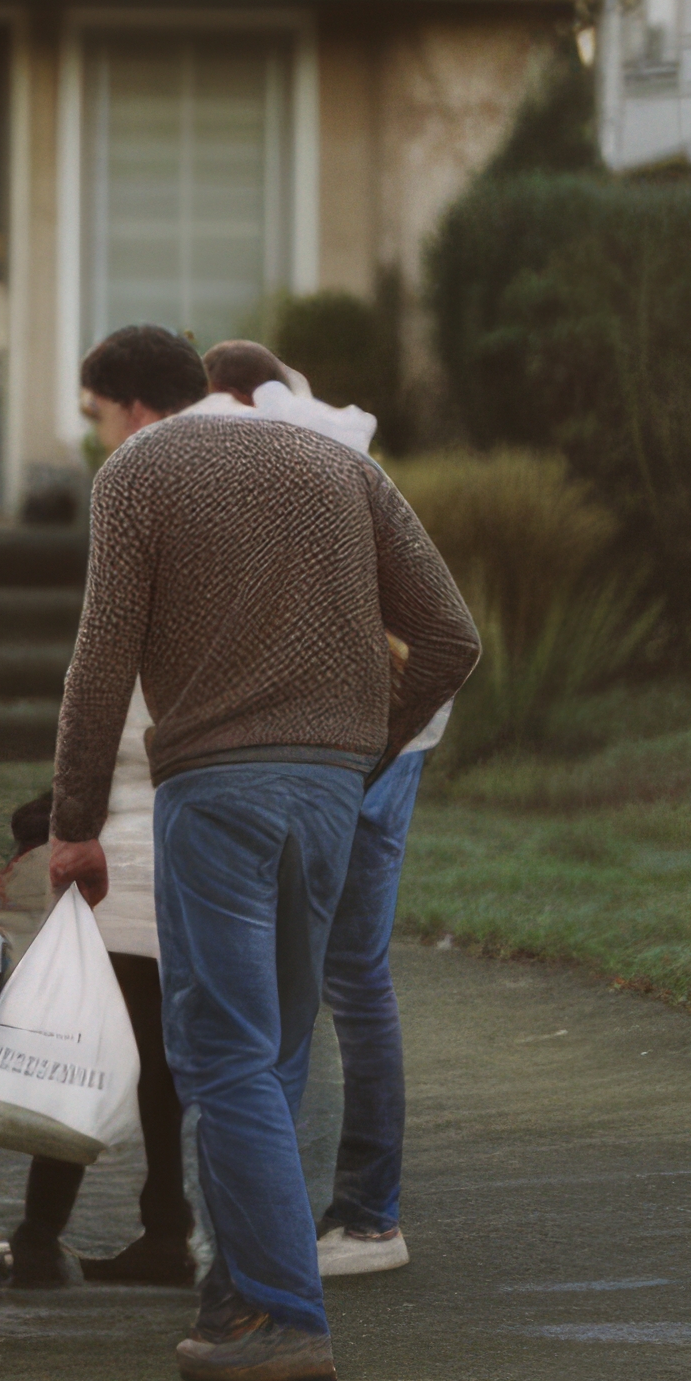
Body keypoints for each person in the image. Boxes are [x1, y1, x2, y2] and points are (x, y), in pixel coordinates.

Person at [44, 320, 478, 1381]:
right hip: (328, 792)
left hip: (217, 792)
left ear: (135, 405)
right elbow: (452, 637)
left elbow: (101, 659)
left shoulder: (138, 474)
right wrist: (364, 752)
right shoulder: (338, 464)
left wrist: (73, 822)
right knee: (274, 1051)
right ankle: (236, 1298)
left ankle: (286, 1316)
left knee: (224, 1054)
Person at [200, 338, 447, 1283]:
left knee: (297, 976)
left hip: (340, 739)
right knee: (352, 974)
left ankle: (291, 1230)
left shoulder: (260, 456)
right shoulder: (341, 444)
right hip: (388, 735)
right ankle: (365, 1216)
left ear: (227, 398)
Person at [0, 692, 194, 1292]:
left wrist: (42, 826)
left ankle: (39, 1236)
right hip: (204, 875)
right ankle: (170, 1231)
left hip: (118, 881)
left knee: (79, 1061)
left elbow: (84, 756)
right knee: (166, 1076)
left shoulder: (123, 657)